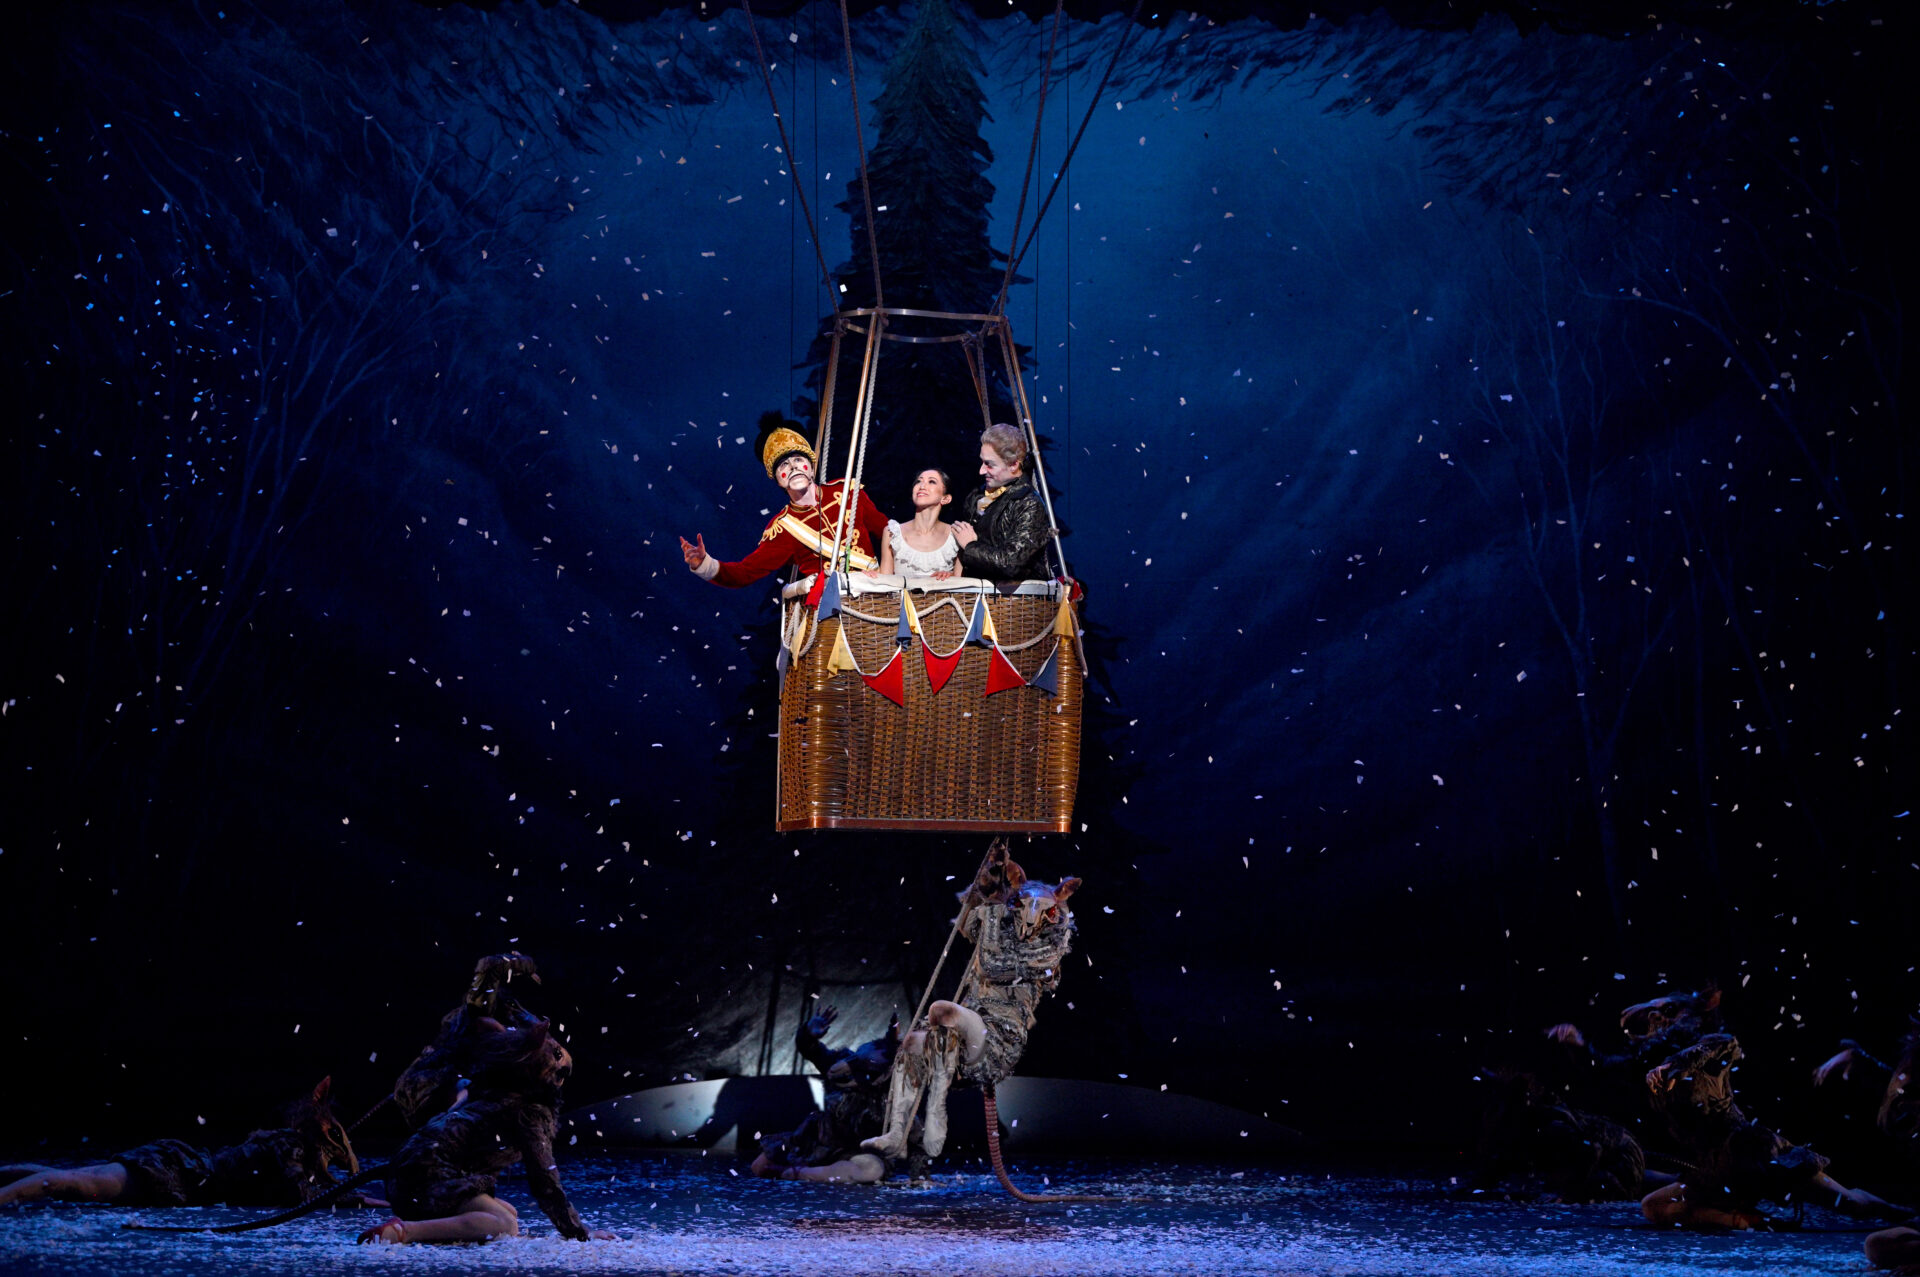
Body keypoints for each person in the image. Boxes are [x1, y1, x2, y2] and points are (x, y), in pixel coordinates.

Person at [358, 1018, 613, 1245]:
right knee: (505, 1224)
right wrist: (579, 1232)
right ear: (552, 1075)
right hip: (423, 1181)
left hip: (404, 1181)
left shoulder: (488, 1092)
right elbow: (545, 1180)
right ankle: (403, 1232)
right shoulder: (527, 1113)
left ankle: (437, 1225)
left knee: (508, 1212)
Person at [0, 1078, 357, 1209]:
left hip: (178, 1168)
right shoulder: (291, 1146)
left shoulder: (287, 1146)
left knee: (69, 1178)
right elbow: (302, 1194)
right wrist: (356, 1197)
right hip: (176, 1174)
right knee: (69, 1183)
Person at [681, 413, 889, 588]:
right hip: (832, 608)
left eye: (798, 459)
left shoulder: (846, 492)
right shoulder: (783, 529)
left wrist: (890, 573)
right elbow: (745, 573)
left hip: (876, 594)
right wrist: (704, 563)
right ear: (778, 480)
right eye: (783, 465)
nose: (793, 467)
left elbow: (887, 532)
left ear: (811, 467)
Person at [749, 1005, 898, 1184]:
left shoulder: (889, 1091)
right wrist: (808, 1035)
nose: (858, 1066)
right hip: (819, 1139)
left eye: (868, 1065)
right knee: (759, 1167)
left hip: (855, 1152)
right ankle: (798, 1171)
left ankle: (800, 1173)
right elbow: (813, 1051)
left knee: (871, 1169)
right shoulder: (842, 1067)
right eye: (859, 1058)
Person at [952, 423, 1051, 582]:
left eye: (989, 464)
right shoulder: (977, 495)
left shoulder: (1029, 504)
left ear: (1013, 465)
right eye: (982, 462)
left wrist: (971, 546)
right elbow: (962, 549)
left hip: (1015, 596)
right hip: (975, 592)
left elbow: (1011, 563)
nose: (981, 471)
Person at [874, 469, 961, 578]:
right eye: (919, 481)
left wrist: (950, 575)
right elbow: (885, 581)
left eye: (932, 481)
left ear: (945, 498)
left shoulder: (956, 534)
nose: (922, 486)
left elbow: (962, 579)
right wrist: (872, 577)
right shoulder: (892, 533)